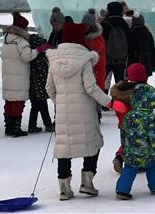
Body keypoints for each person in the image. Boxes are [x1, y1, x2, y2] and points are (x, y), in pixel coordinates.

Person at [46, 21, 113, 200]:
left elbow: (49, 88)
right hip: (85, 112)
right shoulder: (84, 60)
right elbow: (91, 88)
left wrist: (59, 102)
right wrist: (110, 103)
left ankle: (64, 189)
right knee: (93, 144)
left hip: (63, 112)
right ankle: (87, 183)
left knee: (64, 149)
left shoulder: (54, 59)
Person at [115, 81, 155, 200]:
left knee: (129, 169)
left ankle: (122, 190)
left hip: (131, 151)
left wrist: (124, 148)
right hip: (148, 152)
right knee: (153, 167)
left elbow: (123, 132)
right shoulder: (150, 117)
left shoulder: (129, 115)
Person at [2, 12, 46, 137]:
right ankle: (16, 128)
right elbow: (27, 56)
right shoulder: (21, 42)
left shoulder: (7, 39)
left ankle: (9, 127)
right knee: (18, 102)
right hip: (19, 76)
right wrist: (38, 50)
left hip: (8, 76)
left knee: (9, 101)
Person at [109, 62, 151, 173]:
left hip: (124, 125)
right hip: (139, 125)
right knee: (140, 143)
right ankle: (139, 163)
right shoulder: (142, 93)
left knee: (126, 143)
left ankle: (119, 157)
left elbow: (118, 108)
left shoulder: (121, 91)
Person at [27, 31, 53, 133]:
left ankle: (32, 126)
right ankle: (48, 125)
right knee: (43, 107)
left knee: (35, 107)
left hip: (32, 88)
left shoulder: (31, 58)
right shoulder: (40, 60)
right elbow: (43, 75)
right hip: (40, 88)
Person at [103, 1, 130, 87]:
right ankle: (119, 99)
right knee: (120, 84)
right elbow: (128, 41)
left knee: (104, 83)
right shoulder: (124, 24)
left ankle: (104, 99)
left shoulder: (105, 23)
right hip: (121, 59)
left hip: (107, 59)